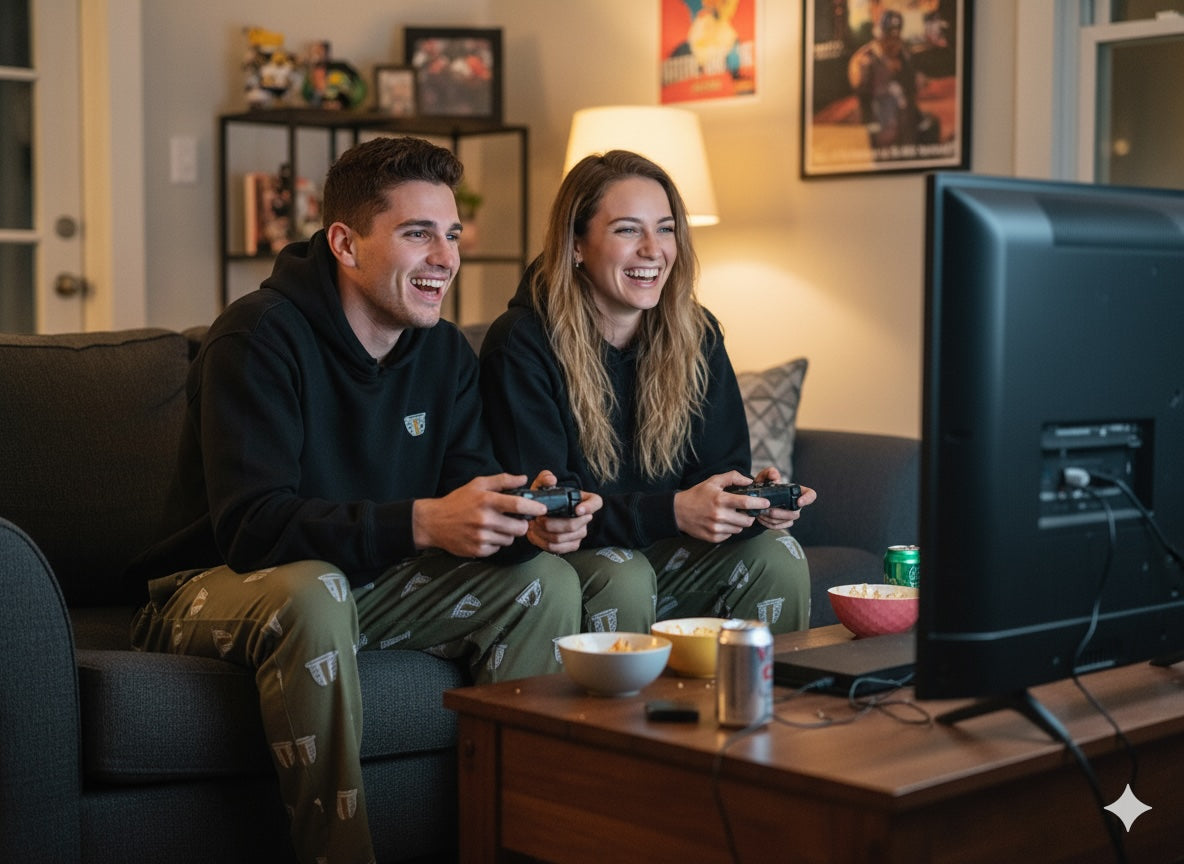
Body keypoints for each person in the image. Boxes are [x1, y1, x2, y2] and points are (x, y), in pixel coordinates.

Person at [127, 136, 587, 864]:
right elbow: (252, 530)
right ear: (345, 242)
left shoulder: (442, 354)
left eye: (452, 234)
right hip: (210, 590)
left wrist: (521, 515)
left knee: (545, 582)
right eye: (417, 234)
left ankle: (517, 843)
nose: (445, 257)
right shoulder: (258, 338)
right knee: (314, 591)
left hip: (363, 586)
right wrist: (423, 522)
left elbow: (466, 491)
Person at [478, 149, 814, 638]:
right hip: (567, 563)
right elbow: (552, 511)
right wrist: (675, 510)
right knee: (624, 573)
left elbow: (716, 471)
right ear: (576, 244)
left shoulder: (697, 334)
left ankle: (767, 710)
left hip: (661, 546)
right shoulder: (522, 343)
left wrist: (747, 502)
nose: (653, 249)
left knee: (777, 554)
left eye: (665, 228)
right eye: (627, 229)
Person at [847, 9, 939, 155]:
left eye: (897, 34)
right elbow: (863, 93)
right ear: (880, 34)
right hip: (881, 118)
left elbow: (910, 83)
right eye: (889, 34)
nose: (894, 39)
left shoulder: (903, 52)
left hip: (905, 118)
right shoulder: (864, 59)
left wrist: (916, 80)